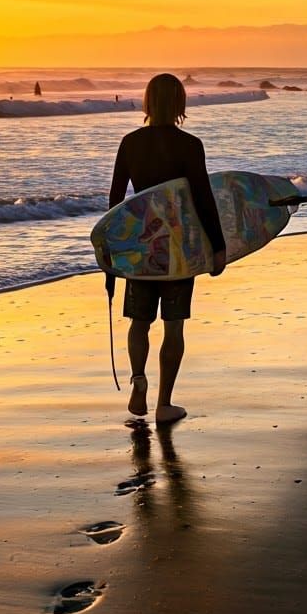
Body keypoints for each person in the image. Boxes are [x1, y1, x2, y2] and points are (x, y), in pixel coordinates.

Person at [107, 73, 226, 424]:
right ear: (179, 104)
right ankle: (164, 405)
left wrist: (113, 246)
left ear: (147, 102)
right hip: (179, 250)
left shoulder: (130, 143)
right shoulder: (190, 145)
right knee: (173, 327)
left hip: (142, 249)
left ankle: (139, 379)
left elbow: (116, 200)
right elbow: (203, 200)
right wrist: (218, 248)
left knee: (139, 321)